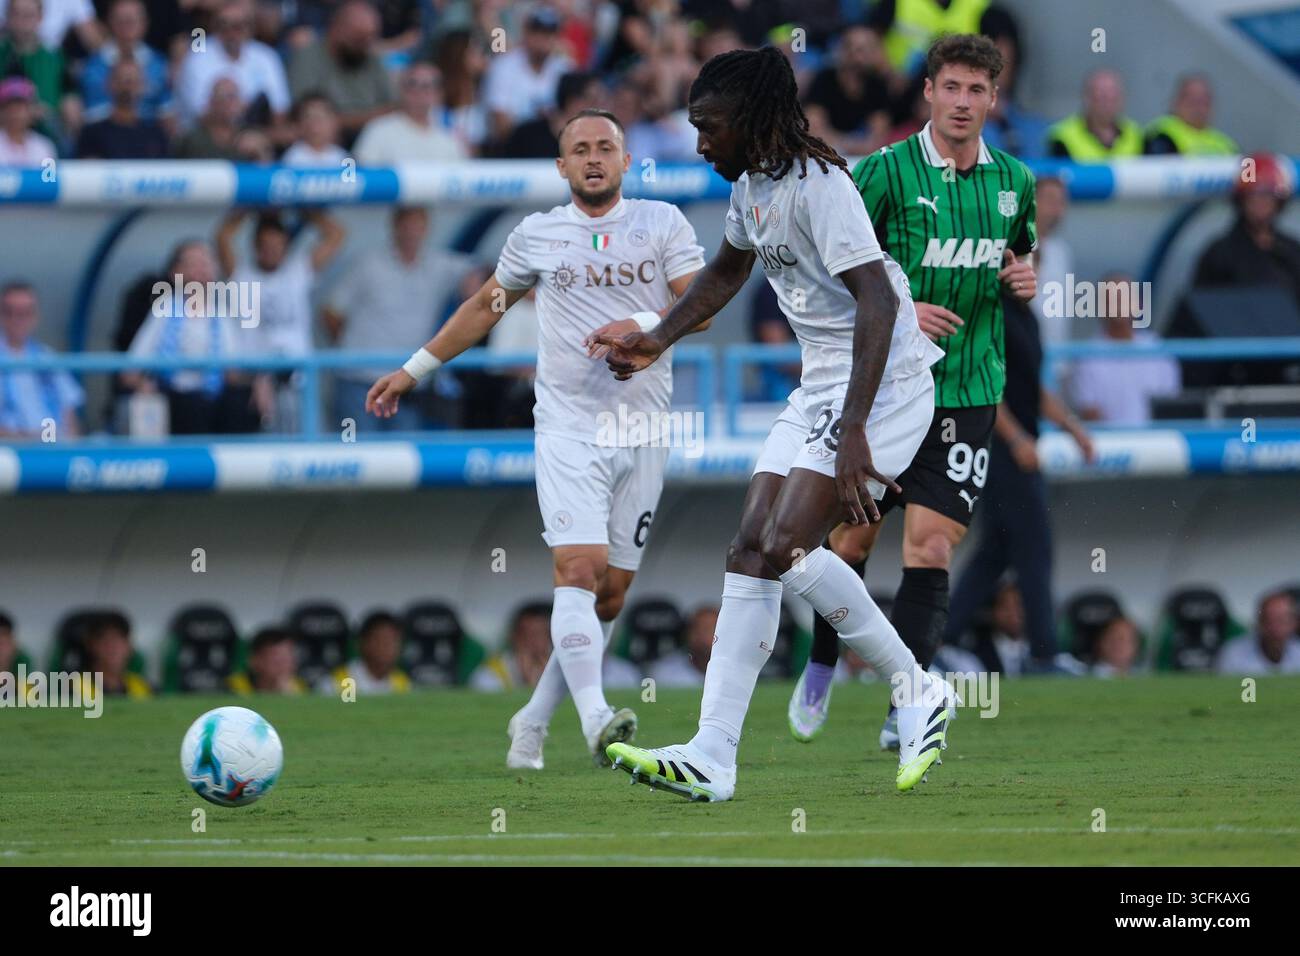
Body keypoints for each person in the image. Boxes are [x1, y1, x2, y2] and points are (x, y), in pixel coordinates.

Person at [588, 46, 953, 802]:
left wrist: (853, 433)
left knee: (788, 544)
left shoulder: (821, 186)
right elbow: (726, 272)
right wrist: (655, 336)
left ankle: (918, 690)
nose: (700, 143)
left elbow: (879, 302)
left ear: (751, 120)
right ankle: (713, 755)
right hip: (820, 382)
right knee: (751, 547)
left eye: (709, 127)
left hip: (880, 386)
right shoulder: (753, 183)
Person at [366, 106, 706, 770]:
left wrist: (638, 325)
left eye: (605, 145)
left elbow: (700, 303)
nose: (593, 157)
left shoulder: (663, 223)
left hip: (642, 428)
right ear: (562, 166)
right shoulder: (538, 235)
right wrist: (413, 369)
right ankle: (596, 721)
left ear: (626, 160)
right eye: (580, 148)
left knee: (609, 594)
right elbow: (482, 309)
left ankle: (532, 718)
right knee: (577, 571)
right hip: (569, 427)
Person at [789, 34, 1038, 751]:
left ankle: (909, 701)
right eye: (951, 87)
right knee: (850, 538)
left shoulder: (1014, 180)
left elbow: (1021, 250)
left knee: (929, 547)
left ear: (993, 98)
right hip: (888, 387)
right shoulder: (883, 173)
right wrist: (900, 307)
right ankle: (822, 660)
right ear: (928, 92)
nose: (963, 102)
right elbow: (836, 267)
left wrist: (1024, 275)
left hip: (967, 390)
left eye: (977, 90)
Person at [943, 290, 1094, 679]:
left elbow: (1030, 387)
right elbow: (986, 386)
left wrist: (1072, 427)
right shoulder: (991, 312)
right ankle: (1044, 655)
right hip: (1001, 451)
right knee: (1035, 549)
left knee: (995, 553)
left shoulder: (1027, 316)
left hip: (1015, 447)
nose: (1031, 269)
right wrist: (1015, 439)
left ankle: (940, 639)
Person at [324, 206, 473, 432]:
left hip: (407, 385)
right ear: (393, 227)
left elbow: (482, 277)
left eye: (417, 225)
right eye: (406, 225)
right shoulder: (368, 263)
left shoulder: (439, 265)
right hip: (360, 381)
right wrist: (354, 351)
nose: (411, 232)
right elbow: (330, 313)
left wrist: (492, 288)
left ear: (426, 229)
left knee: (406, 460)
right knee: (358, 458)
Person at [1191, 152, 1300, 309]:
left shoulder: (1291, 250)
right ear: (1242, 200)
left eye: (1268, 194)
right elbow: (1201, 309)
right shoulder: (1220, 254)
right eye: (1254, 194)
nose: (1261, 202)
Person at [1071, 273, 1180, 427]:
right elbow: (1089, 411)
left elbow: (1171, 405)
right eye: (1112, 298)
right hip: (1111, 446)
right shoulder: (1087, 357)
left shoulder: (1157, 349)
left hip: (1156, 443)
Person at [288, 0, 394, 148]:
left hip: (374, 138)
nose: (366, 44)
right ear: (337, 29)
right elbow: (308, 116)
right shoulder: (308, 56)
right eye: (359, 38)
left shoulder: (370, 56)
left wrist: (347, 120)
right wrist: (370, 117)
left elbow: (393, 106)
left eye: (371, 37)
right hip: (324, 143)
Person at [174, 0, 290, 133]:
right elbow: (199, 115)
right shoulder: (196, 58)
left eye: (239, 26)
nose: (232, 33)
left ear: (251, 28)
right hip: (207, 137)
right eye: (224, 25)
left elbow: (280, 111)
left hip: (256, 135)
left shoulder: (267, 56)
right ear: (214, 27)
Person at [0, 280, 83, 440]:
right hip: (11, 453)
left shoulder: (46, 357)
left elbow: (69, 414)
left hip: (51, 447)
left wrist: (71, 451)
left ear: (35, 316)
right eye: (10, 312)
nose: (18, 320)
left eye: (25, 313)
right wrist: (30, 439)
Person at [481, 5, 572, 146]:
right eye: (537, 32)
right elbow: (500, 125)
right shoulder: (504, 66)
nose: (542, 40)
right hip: (512, 148)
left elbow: (573, 119)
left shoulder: (564, 68)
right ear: (526, 33)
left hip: (555, 147)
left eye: (548, 34)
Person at [801, 25, 892, 158]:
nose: (856, 57)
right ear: (841, 50)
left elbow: (878, 136)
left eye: (862, 50)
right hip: (824, 155)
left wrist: (848, 145)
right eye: (850, 48)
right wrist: (849, 145)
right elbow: (814, 129)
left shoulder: (877, 84)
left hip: (860, 156)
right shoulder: (824, 79)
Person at [352, 60, 466, 164]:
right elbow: (362, 176)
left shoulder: (449, 139)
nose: (419, 91)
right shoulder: (378, 129)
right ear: (401, 89)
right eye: (412, 84)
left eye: (427, 85)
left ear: (439, 93)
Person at [80, 0, 172, 126]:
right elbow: (92, 114)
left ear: (145, 23)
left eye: (132, 21)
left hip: (150, 137)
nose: (127, 27)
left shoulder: (159, 64)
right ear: (110, 23)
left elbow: (166, 113)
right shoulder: (93, 67)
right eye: (122, 21)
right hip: (105, 137)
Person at [74, 58, 169, 159]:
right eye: (123, 80)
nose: (128, 87)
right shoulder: (91, 134)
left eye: (133, 81)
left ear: (142, 86)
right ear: (109, 84)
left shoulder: (156, 135)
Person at [1046, 69, 1143, 161]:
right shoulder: (1063, 137)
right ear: (1087, 97)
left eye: (1113, 97)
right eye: (1102, 96)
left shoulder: (1134, 134)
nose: (1107, 104)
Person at [317, 611, 412, 695]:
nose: (388, 647)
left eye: (394, 641)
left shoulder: (403, 683)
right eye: (382, 640)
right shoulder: (340, 682)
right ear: (363, 643)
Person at [1144, 74, 1237, 156]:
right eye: (1192, 101)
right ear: (1176, 102)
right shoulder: (1162, 136)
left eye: (1204, 102)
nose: (1199, 108)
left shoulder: (1224, 143)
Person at [1216, 591, 1300, 675]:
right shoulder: (1233, 654)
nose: (1274, 628)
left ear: (1295, 623)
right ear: (1259, 621)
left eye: (1281, 621)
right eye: (1268, 620)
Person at [82, 611, 152, 699]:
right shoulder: (74, 687)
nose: (112, 647)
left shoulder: (143, 687)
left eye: (118, 639)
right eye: (104, 640)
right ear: (91, 645)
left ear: (129, 646)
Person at [646, 604, 718, 688]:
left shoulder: (734, 671)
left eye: (710, 630)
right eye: (697, 630)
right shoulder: (664, 673)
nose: (701, 636)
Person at [228, 627, 307, 694]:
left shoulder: (302, 687)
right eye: (276, 658)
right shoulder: (232, 687)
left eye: (288, 657)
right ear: (254, 660)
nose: (284, 665)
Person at [280, 91, 348, 165]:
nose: (316, 124)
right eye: (310, 117)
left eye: (321, 118)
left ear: (334, 123)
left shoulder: (342, 157)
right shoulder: (292, 157)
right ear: (299, 123)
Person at [0, 74, 56, 165]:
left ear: (32, 110)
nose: (15, 114)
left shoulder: (43, 146)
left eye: (21, 108)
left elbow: (50, 178)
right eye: (10, 107)